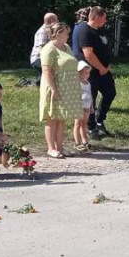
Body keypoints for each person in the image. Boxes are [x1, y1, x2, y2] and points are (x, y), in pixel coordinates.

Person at [39, 22, 82, 158]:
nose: (68, 35)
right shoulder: (49, 49)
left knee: (61, 117)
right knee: (52, 118)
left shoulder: (66, 47)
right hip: (54, 87)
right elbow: (46, 70)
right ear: (58, 34)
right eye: (66, 33)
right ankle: (51, 148)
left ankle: (60, 147)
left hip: (67, 88)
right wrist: (53, 89)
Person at [75, 6, 116, 137]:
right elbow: (88, 54)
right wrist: (101, 68)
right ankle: (91, 127)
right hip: (91, 71)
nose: (106, 20)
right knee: (90, 98)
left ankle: (100, 119)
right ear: (96, 17)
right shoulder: (85, 30)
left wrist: (107, 65)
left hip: (104, 71)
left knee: (110, 93)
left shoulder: (100, 30)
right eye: (104, 18)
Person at [75, 61, 93, 151]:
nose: (88, 74)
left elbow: (90, 95)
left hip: (87, 106)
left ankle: (85, 141)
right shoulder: (77, 83)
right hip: (79, 106)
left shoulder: (88, 83)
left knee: (84, 124)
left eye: (88, 72)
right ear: (79, 72)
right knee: (77, 124)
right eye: (85, 72)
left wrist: (91, 106)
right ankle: (77, 142)